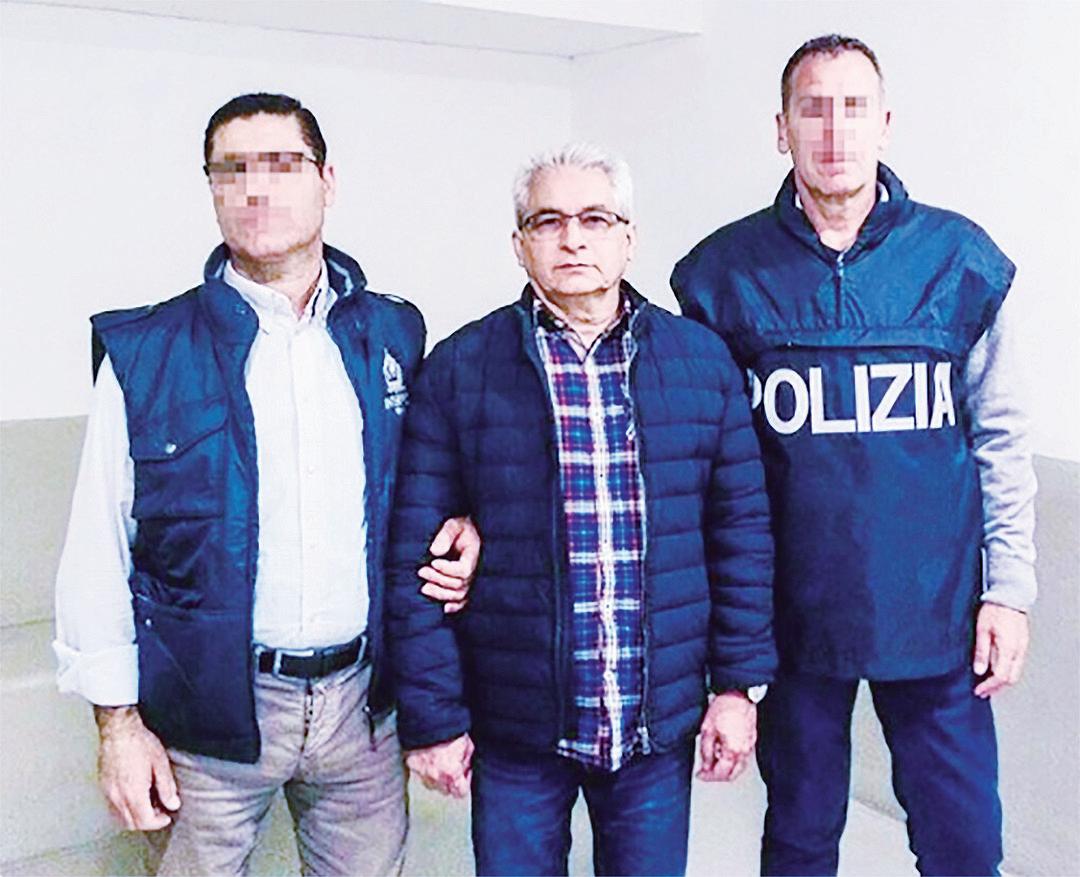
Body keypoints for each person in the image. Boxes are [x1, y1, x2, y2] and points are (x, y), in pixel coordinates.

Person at [53, 92, 479, 876]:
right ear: (210, 188)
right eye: (233, 170)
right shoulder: (148, 351)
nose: (256, 189)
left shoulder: (392, 333)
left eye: (282, 165)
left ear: (327, 181)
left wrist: (466, 521)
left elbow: (427, 478)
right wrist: (117, 724)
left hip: (363, 711)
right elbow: (97, 550)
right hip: (204, 718)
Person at [671, 35, 1037, 877]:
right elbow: (705, 467)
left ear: (886, 123)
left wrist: (1009, 590)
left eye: (854, 108)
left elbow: (1002, 436)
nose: (835, 131)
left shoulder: (959, 259)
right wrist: (725, 644)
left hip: (938, 613)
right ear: (781, 129)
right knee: (800, 839)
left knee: (964, 841)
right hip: (791, 616)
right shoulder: (722, 274)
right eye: (813, 109)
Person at [386, 143, 776, 877]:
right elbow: (416, 555)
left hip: (653, 725)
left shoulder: (702, 364)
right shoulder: (460, 369)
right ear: (519, 243)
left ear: (629, 238)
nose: (572, 239)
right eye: (548, 221)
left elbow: (742, 537)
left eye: (595, 219)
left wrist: (736, 688)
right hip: (515, 727)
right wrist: (434, 718)